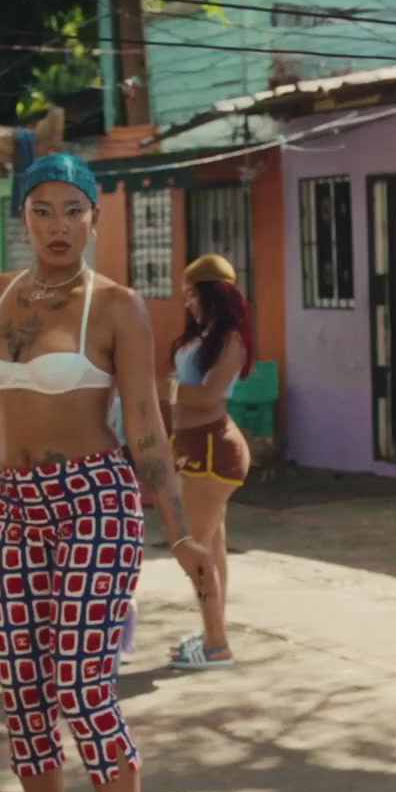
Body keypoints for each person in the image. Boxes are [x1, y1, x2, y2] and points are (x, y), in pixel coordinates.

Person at [0, 153, 215, 792]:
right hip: (15, 506)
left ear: (94, 217)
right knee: (23, 697)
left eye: (73, 211)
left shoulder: (116, 307)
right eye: (42, 210)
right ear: (22, 217)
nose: (58, 226)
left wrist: (181, 532)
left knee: (82, 689)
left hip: (95, 500)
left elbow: (146, 427)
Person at [160, 254, 253, 671]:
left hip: (213, 451)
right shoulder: (206, 335)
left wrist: (161, 389)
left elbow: (209, 395)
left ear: (214, 295)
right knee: (211, 548)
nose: (188, 304)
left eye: (193, 295)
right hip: (195, 448)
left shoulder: (230, 340)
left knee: (194, 549)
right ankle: (214, 634)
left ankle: (216, 645)